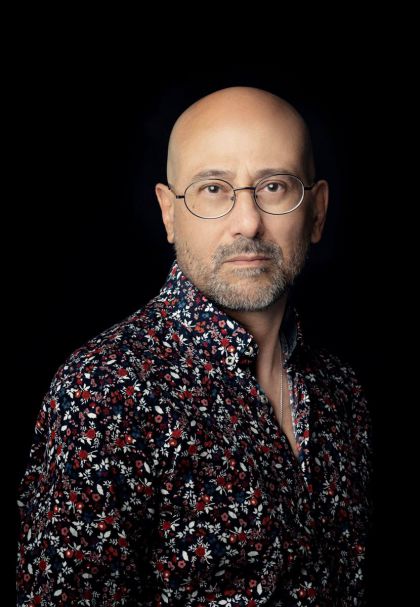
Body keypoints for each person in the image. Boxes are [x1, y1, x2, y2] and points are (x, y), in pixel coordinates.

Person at [16, 86, 373, 606]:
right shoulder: (106, 393)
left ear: (317, 211)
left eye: (274, 186)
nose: (248, 222)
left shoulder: (342, 392)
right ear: (169, 213)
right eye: (213, 189)